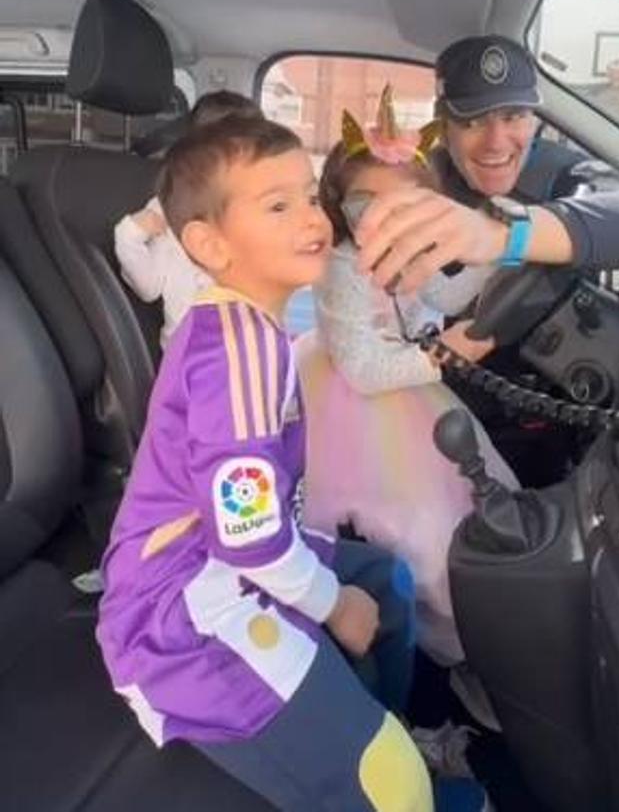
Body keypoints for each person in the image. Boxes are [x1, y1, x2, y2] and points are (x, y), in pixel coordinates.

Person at [96, 114, 438, 812]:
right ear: (209, 244)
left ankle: (380, 723)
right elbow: (246, 536)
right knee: (392, 784)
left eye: (310, 197)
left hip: (224, 555)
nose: (310, 217)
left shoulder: (252, 324)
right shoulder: (238, 350)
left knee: (390, 580)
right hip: (178, 610)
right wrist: (332, 603)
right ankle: (380, 764)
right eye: (277, 205)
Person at [355, 36, 619, 485]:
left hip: (538, 424)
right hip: (424, 410)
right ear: (443, 125)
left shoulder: (560, 174)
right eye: (472, 120)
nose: (496, 141)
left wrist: (506, 236)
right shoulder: (418, 178)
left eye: (514, 116)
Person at [296, 86, 518, 668]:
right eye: (366, 205)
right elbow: (365, 370)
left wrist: (499, 253)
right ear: (340, 206)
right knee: (424, 529)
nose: (386, 219)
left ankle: (475, 631)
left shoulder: (411, 251)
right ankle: (445, 651)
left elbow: (444, 291)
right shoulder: (342, 268)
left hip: (413, 381)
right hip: (357, 399)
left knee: (473, 496)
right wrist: (444, 353)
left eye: (406, 207)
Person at [114, 90, 264, 348]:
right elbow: (148, 287)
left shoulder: (253, 210)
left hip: (245, 345)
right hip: (189, 355)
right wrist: (129, 236)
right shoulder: (169, 208)